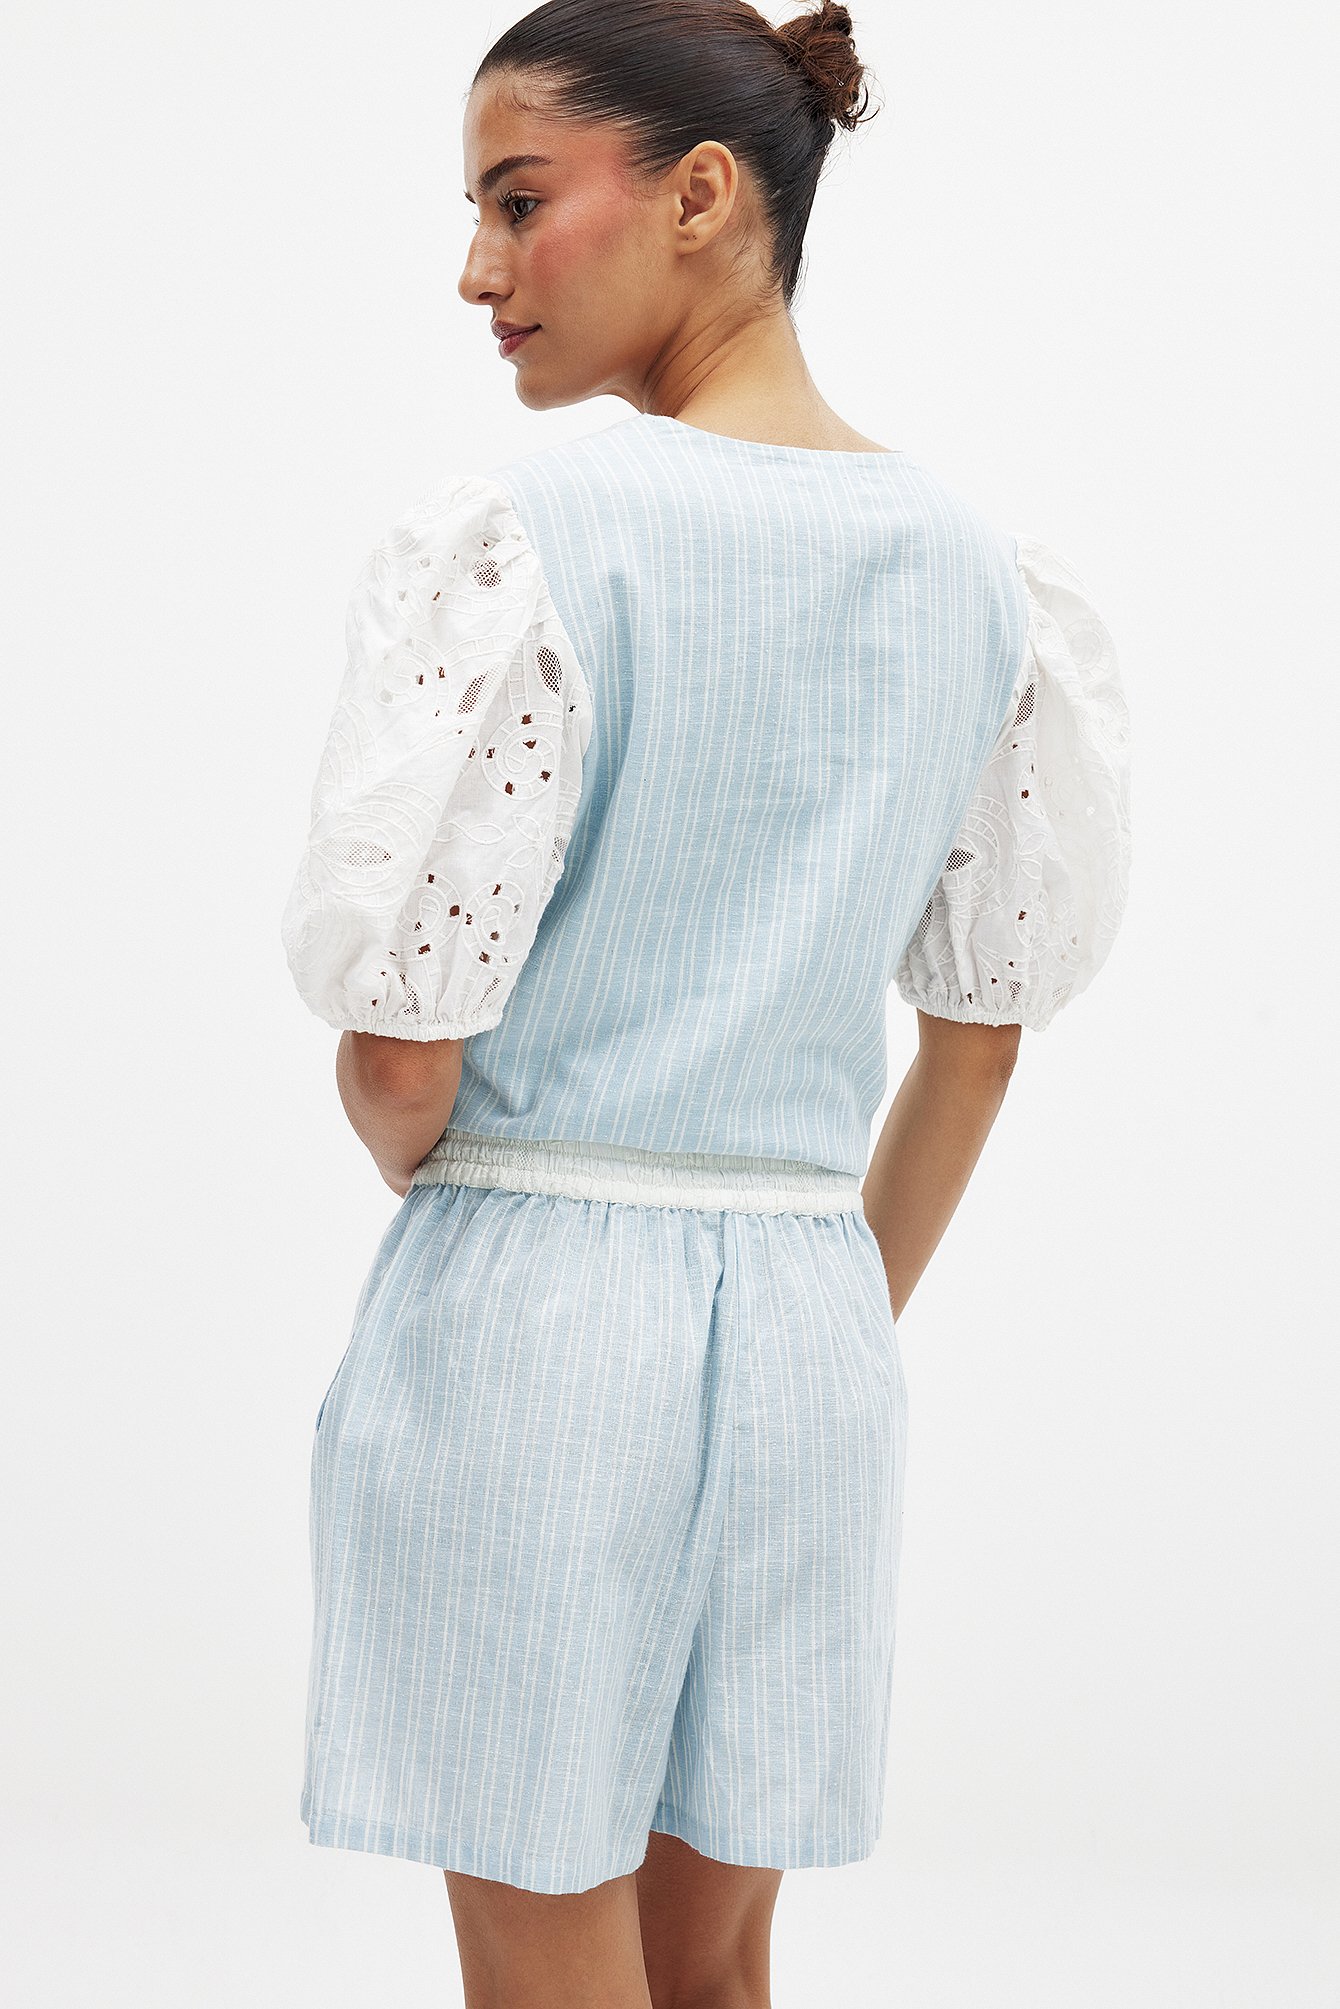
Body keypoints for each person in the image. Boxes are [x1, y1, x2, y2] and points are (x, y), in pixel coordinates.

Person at [278, 1, 1132, 2002]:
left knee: (545, 1960)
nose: (476, 268)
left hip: (534, 1309)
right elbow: (980, 1036)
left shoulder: (533, 547)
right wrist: (812, 1301)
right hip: (814, 1339)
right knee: (720, 1966)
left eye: (516, 202)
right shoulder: (982, 578)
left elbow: (403, 1049)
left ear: (701, 194)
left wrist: (426, 1162)